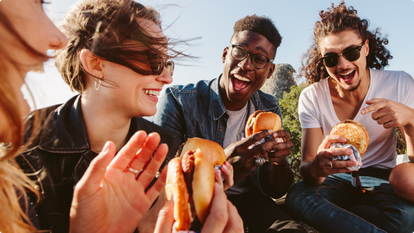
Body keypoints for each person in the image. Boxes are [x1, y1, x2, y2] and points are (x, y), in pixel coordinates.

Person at [16, 0, 186, 232]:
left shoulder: (165, 147)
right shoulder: (23, 147)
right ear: (95, 64)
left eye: (167, 63)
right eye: (152, 59)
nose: (167, 77)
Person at [154, 15, 307, 233]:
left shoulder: (269, 107)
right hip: (196, 206)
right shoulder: (179, 100)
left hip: (251, 201)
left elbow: (275, 190)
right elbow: (160, 180)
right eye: (240, 52)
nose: (246, 65)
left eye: (259, 59)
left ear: (270, 71)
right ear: (226, 54)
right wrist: (223, 166)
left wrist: (279, 162)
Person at [284, 2, 414, 233]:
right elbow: (307, 171)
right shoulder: (312, 97)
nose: (343, 65)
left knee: (405, 219)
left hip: (382, 178)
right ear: (323, 61)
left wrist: (411, 120)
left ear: (365, 48)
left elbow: (413, 164)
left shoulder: (400, 83)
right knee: (298, 196)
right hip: (335, 178)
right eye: (331, 59)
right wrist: (317, 167)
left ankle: (342, 219)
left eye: (351, 52)